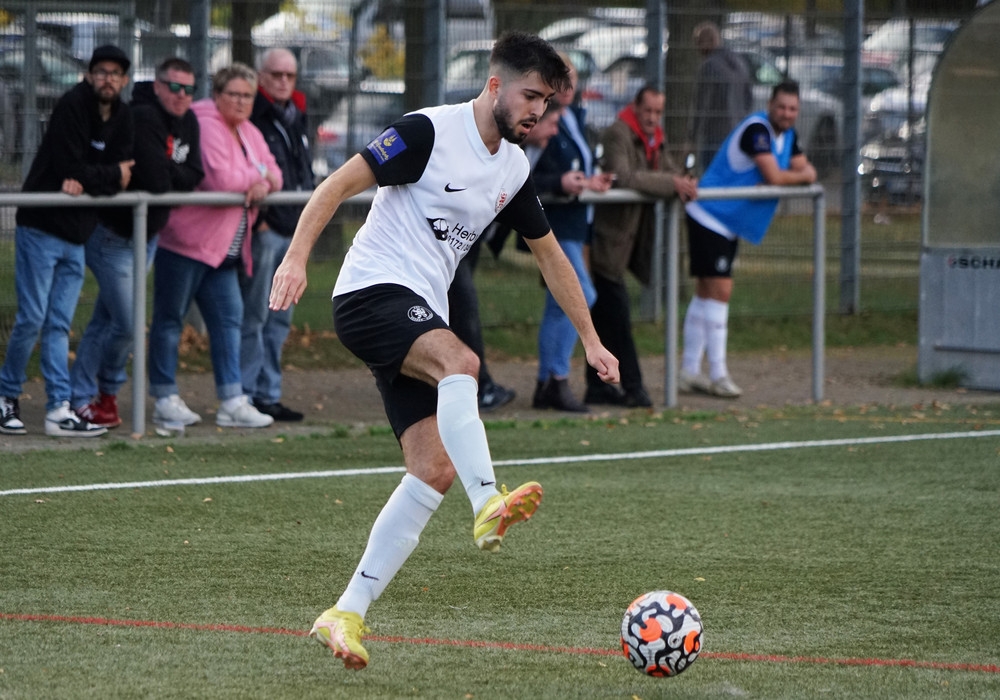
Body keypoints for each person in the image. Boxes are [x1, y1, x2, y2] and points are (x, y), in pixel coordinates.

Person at [269, 31, 619, 670]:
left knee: (431, 469)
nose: (538, 111)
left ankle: (344, 613)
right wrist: (295, 259)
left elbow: (551, 258)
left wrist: (592, 340)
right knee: (462, 362)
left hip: (415, 310)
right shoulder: (427, 132)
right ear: (495, 85)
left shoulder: (513, 167)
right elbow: (335, 186)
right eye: (530, 96)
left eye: (546, 101)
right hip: (370, 292)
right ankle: (488, 503)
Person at [0, 45, 135, 438]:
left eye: (115, 73)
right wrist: (109, 174)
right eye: (101, 71)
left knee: (59, 323)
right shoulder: (72, 105)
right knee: (32, 318)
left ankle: (59, 408)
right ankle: (7, 396)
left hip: (77, 234)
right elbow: (68, 166)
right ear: (89, 75)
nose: (107, 79)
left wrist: (98, 178)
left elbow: (122, 174)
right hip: (41, 228)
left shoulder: (123, 116)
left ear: (124, 80)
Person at [69, 57, 204, 429]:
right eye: (174, 87)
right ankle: (99, 392)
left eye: (189, 89)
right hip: (112, 235)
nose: (181, 95)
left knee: (107, 319)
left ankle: (89, 397)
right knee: (128, 323)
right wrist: (169, 174)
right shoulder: (143, 116)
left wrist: (166, 170)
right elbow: (158, 183)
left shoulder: (188, 120)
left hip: (147, 236)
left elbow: (194, 174)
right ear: (158, 86)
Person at [148, 63, 282, 429]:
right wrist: (259, 179)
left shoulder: (249, 130)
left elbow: (276, 172)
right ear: (218, 95)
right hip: (186, 242)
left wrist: (262, 182)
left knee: (229, 320)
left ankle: (232, 400)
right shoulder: (206, 123)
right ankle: (164, 397)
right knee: (169, 320)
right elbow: (219, 178)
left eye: (247, 96)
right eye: (233, 94)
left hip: (225, 250)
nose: (241, 102)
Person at [681, 80, 817, 398]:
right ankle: (718, 374)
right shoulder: (756, 130)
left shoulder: (789, 136)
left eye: (792, 109)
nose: (786, 113)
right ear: (770, 105)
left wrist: (801, 174)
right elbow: (776, 175)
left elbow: (803, 168)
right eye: (781, 107)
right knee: (720, 291)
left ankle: (688, 371)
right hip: (710, 215)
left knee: (706, 292)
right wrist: (802, 177)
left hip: (728, 222)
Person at [585, 86, 699, 408]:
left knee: (605, 319)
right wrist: (672, 183)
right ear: (635, 107)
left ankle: (596, 387)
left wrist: (685, 180)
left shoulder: (654, 138)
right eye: (648, 111)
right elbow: (624, 176)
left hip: (628, 241)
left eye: (658, 112)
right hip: (607, 242)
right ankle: (634, 387)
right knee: (618, 317)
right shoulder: (617, 134)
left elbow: (668, 169)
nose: (652, 118)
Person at [448, 99, 565, 413]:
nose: (553, 130)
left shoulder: (523, 154)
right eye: (550, 123)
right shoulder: (495, 148)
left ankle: (469, 385)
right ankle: (479, 387)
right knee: (463, 310)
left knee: (459, 310)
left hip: (469, 242)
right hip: (451, 243)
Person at [530, 57, 615, 412]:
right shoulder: (540, 118)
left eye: (573, 80)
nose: (569, 88)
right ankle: (557, 378)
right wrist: (560, 183)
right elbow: (526, 175)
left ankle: (547, 384)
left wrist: (589, 181)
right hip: (555, 223)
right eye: (562, 80)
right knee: (583, 294)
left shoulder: (572, 117)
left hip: (575, 222)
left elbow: (575, 166)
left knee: (559, 303)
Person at [240, 48, 314, 422]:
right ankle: (246, 394)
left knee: (280, 318)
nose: (284, 82)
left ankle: (268, 393)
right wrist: (262, 222)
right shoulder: (253, 115)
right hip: (268, 231)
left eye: (290, 75)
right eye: (276, 75)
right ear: (261, 77)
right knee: (255, 314)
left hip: (293, 233)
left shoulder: (296, 115)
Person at [686, 21, 752, 173]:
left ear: (704, 42)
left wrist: (692, 137)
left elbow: (700, 105)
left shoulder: (709, 65)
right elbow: (749, 98)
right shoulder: (740, 62)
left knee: (712, 175)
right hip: (738, 132)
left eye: (698, 43)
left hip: (714, 135)